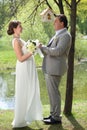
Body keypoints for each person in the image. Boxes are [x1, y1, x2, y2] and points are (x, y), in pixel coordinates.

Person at [7, 20, 43, 128]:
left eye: (21, 26)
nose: (21, 28)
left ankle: (28, 115)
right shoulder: (16, 41)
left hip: (29, 68)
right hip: (24, 69)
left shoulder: (20, 39)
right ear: (14, 29)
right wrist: (33, 51)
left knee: (30, 90)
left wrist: (36, 47)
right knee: (23, 91)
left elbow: (26, 51)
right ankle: (20, 119)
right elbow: (21, 58)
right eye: (19, 26)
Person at [39, 14, 72, 124]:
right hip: (50, 68)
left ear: (62, 23)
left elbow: (58, 51)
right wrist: (43, 47)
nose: (54, 23)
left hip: (55, 69)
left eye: (56, 21)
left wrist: (43, 48)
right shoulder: (57, 34)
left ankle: (56, 117)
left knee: (54, 93)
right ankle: (53, 114)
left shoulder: (66, 35)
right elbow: (51, 49)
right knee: (51, 92)